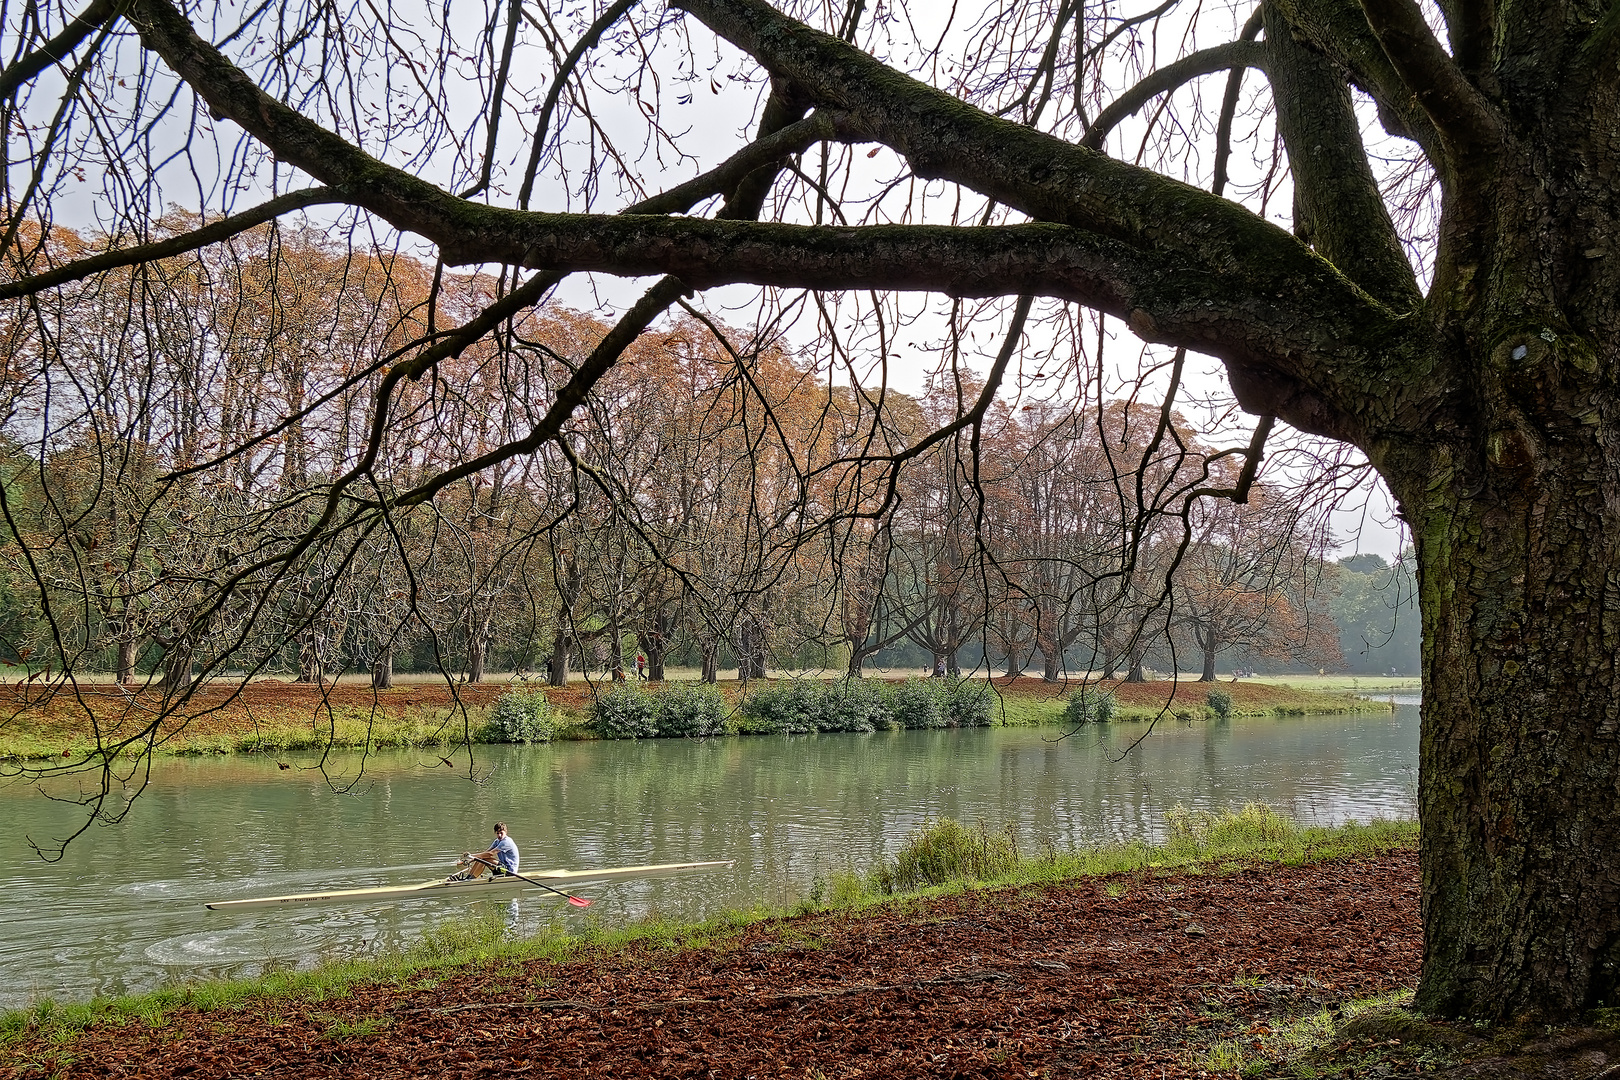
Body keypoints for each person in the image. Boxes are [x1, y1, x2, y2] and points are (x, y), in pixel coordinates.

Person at [449, 822, 519, 881]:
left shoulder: (506, 842)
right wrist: (470, 860)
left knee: (483, 859)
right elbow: (486, 852)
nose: (499, 835)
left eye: (501, 833)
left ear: (506, 832)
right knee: (481, 858)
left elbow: (490, 854)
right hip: (502, 868)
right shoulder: (497, 841)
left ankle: (471, 880)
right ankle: (468, 878)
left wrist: (471, 856)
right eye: (497, 833)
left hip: (510, 871)